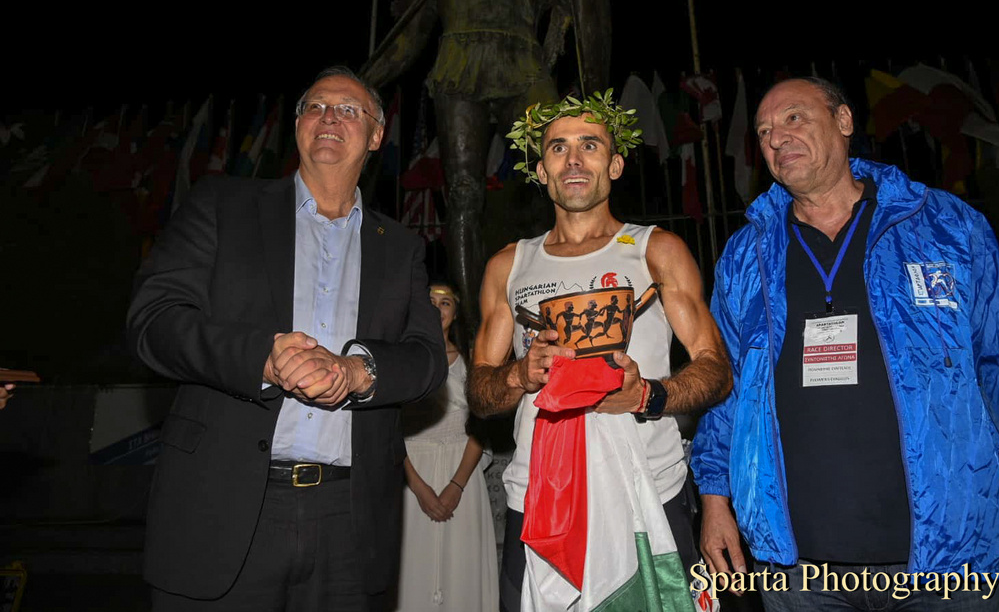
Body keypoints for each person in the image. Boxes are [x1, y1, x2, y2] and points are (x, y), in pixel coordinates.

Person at [691, 77, 999, 611]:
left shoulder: (943, 225)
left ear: (844, 121)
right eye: (763, 132)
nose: (776, 138)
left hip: (950, 558)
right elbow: (723, 386)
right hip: (799, 570)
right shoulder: (747, 254)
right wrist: (714, 499)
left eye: (794, 118)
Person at [127, 66, 447, 611]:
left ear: (376, 136)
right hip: (220, 511)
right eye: (314, 106)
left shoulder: (400, 246)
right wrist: (262, 359)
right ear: (298, 125)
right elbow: (153, 321)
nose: (328, 117)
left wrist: (359, 371)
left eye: (348, 109)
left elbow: (427, 359)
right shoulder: (222, 205)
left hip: (349, 524)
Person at [468, 93, 731, 611]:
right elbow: (478, 393)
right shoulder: (508, 265)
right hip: (539, 500)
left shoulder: (657, 250)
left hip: (649, 491)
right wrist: (519, 375)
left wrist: (647, 396)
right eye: (558, 148)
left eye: (589, 145)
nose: (573, 159)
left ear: (614, 165)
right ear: (540, 170)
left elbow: (716, 368)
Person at [395, 282, 498, 611]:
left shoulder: (472, 361)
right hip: (411, 470)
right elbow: (389, 428)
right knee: (412, 563)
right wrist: (418, 487)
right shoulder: (400, 358)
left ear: (455, 314)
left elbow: (479, 426)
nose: (437, 308)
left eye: (445, 303)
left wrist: (457, 485)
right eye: (430, 301)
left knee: (461, 564)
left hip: (462, 470)